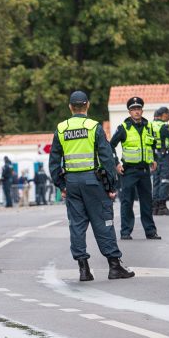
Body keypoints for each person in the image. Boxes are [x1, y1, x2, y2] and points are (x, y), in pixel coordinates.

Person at [49, 91, 134, 281]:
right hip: (93, 182)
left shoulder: (61, 129)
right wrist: (112, 186)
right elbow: (107, 159)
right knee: (104, 222)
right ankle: (114, 266)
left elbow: (54, 162)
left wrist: (61, 185)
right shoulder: (93, 126)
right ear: (87, 105)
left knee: (77, 226)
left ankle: (84, 270)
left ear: (70, 107)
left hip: (72, 183)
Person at [109, 96, 160, 240]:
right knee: (127, 202)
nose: (136, 112)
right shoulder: (123, 128)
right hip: (129, 171)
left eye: (138, 109)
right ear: (129, 112)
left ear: (142, 110)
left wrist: (154, 159)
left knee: (146, 203)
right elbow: (110, 146)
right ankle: (125, 232)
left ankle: (150, 232)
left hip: (144, 170)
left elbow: (153, 145)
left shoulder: (149, 127)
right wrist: (116, 163)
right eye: (133, 109)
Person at [150, 106, 169, 216]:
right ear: (163, 115)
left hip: (155, 156)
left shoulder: (150, 125)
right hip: (163, 156)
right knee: (165, 181)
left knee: (156, 181)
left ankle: (155, 207)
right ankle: (162, 207)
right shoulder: (163, 126)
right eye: (168, 114)